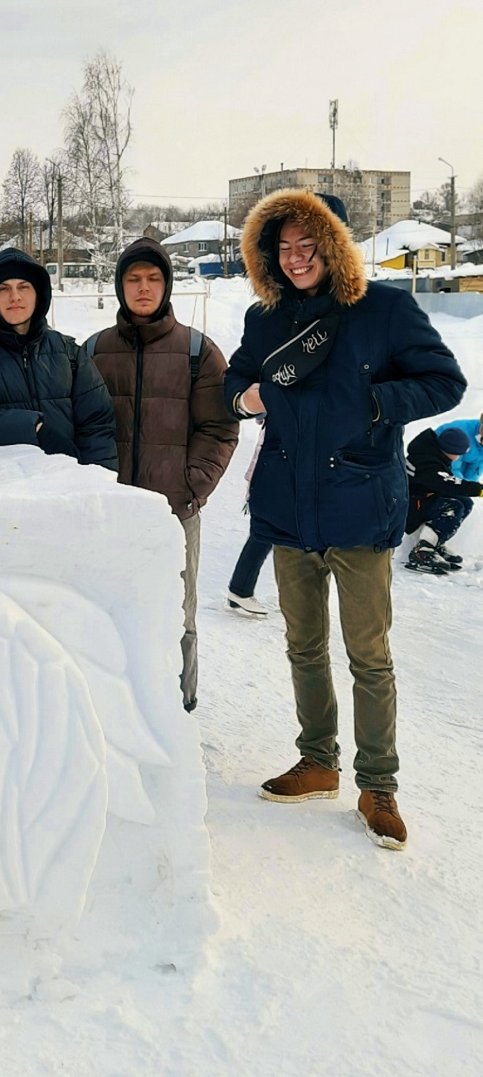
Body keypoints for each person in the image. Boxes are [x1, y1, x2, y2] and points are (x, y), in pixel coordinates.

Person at [225, 189, 466, 850]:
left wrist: (378, 402)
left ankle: (377, 783)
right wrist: (242, 397)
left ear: (333, 245)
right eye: (285, 248)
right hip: (288, 509)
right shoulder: (265, 316)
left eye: (309, 245)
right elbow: (236, 386)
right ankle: (318, 761)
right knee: (303, 647)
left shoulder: (384, 308)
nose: (297, 258)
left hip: (360, 507)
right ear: (268, 256)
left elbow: (445, 382)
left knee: (369, 656)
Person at [87, 237, 238, 712]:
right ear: (119, 286)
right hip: (108, 513)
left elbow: (220, 427)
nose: (144, 288)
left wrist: (192, 484)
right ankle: (115, 710)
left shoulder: (198, 351)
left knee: (177, 615)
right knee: (108, 607)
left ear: (167, 285)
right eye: (133, 279)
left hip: (174, 511)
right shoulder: (93, 350)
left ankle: (179, 711)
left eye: (154, 279)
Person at [0, 248, 117, 470]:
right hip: (3, 487)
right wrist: (34, 427)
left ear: (38, 294)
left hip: (69, 485)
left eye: (23, 287)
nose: (15, 297)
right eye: (4, 288)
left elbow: (97, 424)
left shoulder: (68, 352)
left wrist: (96, 484)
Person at [404, 426, 482, 574]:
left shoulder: (432, 453)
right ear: (450, 450)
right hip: (410, 506)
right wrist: (478, 489)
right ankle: (423, 551)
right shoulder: (427, 462)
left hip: (421, 498)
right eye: (458, 453)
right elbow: (446, 483)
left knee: (465, 502)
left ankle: (435, 543)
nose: (459, 457)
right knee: (453, 507)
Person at [227, 424, 272, 617]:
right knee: (263, 536)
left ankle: (240, 590)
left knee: (270, 536)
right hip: (272, 480)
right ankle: (240, 590)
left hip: (271, 478)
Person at [435, 414, 483, 482]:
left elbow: (475, 469)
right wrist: (464, 487)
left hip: (458, 471)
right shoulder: (457, 437)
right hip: (437, 471)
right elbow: (449, 469)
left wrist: (472, 486)